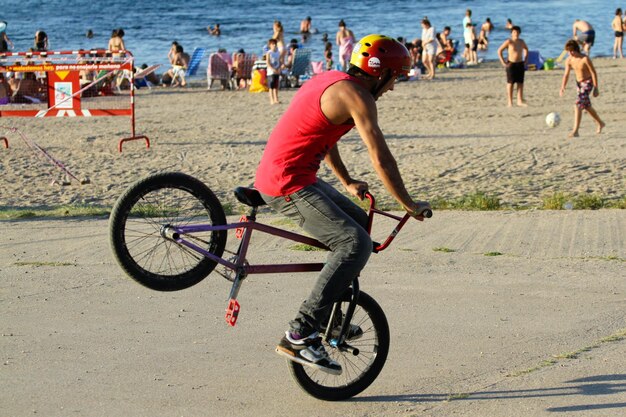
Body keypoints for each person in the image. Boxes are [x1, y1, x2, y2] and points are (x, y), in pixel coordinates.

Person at [253, 34, 431, 375]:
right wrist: (407, 203)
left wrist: (347, 181)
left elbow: (325, 136)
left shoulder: (331, 80)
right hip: (286, 183)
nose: (394, 88)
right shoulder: (359, 97)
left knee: (357, 220)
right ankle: (301, 332)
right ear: (383, 74)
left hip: (292, 175)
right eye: (396, 79)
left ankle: (331, 320)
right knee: (354, 243)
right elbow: (381, 158)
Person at [559, 39, 605, 137]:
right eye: (568, 51)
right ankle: (600, 123)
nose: (570, 53)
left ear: (576, 49)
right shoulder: (569, 60)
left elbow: (593, 72)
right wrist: (563, 86)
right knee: (586, 106)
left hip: (588, 82)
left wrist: (596, 87)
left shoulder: (585, 59)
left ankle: (575, 131)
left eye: (572, 51)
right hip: (579, 84)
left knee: (577, 105)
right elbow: (566, 74)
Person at [497, 26, 528, 107]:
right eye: (514, 32)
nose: (516, 34)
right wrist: (503, 62)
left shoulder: (521, 41)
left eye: (517, 32)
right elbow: (499, 51)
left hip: (520, 63)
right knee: (510, 83)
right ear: (511, 33)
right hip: (511, 64)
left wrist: (526, 60)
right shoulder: (509, 41)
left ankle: (519, 100)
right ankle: (510, 102)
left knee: (520, 83)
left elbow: (526, 49)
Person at [265, 38, 281, 104]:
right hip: (271, 72)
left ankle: (276, 99)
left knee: (276, 86)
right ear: (270, 45)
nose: (274, 45)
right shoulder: (269, 53)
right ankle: (271, 99)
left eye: (275, 44)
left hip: (277, 70)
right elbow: (268, 63)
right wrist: (272, 69)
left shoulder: (277, 52)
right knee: (271, 86)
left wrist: (279, 68)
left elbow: (279, 61)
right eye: (272, 44)